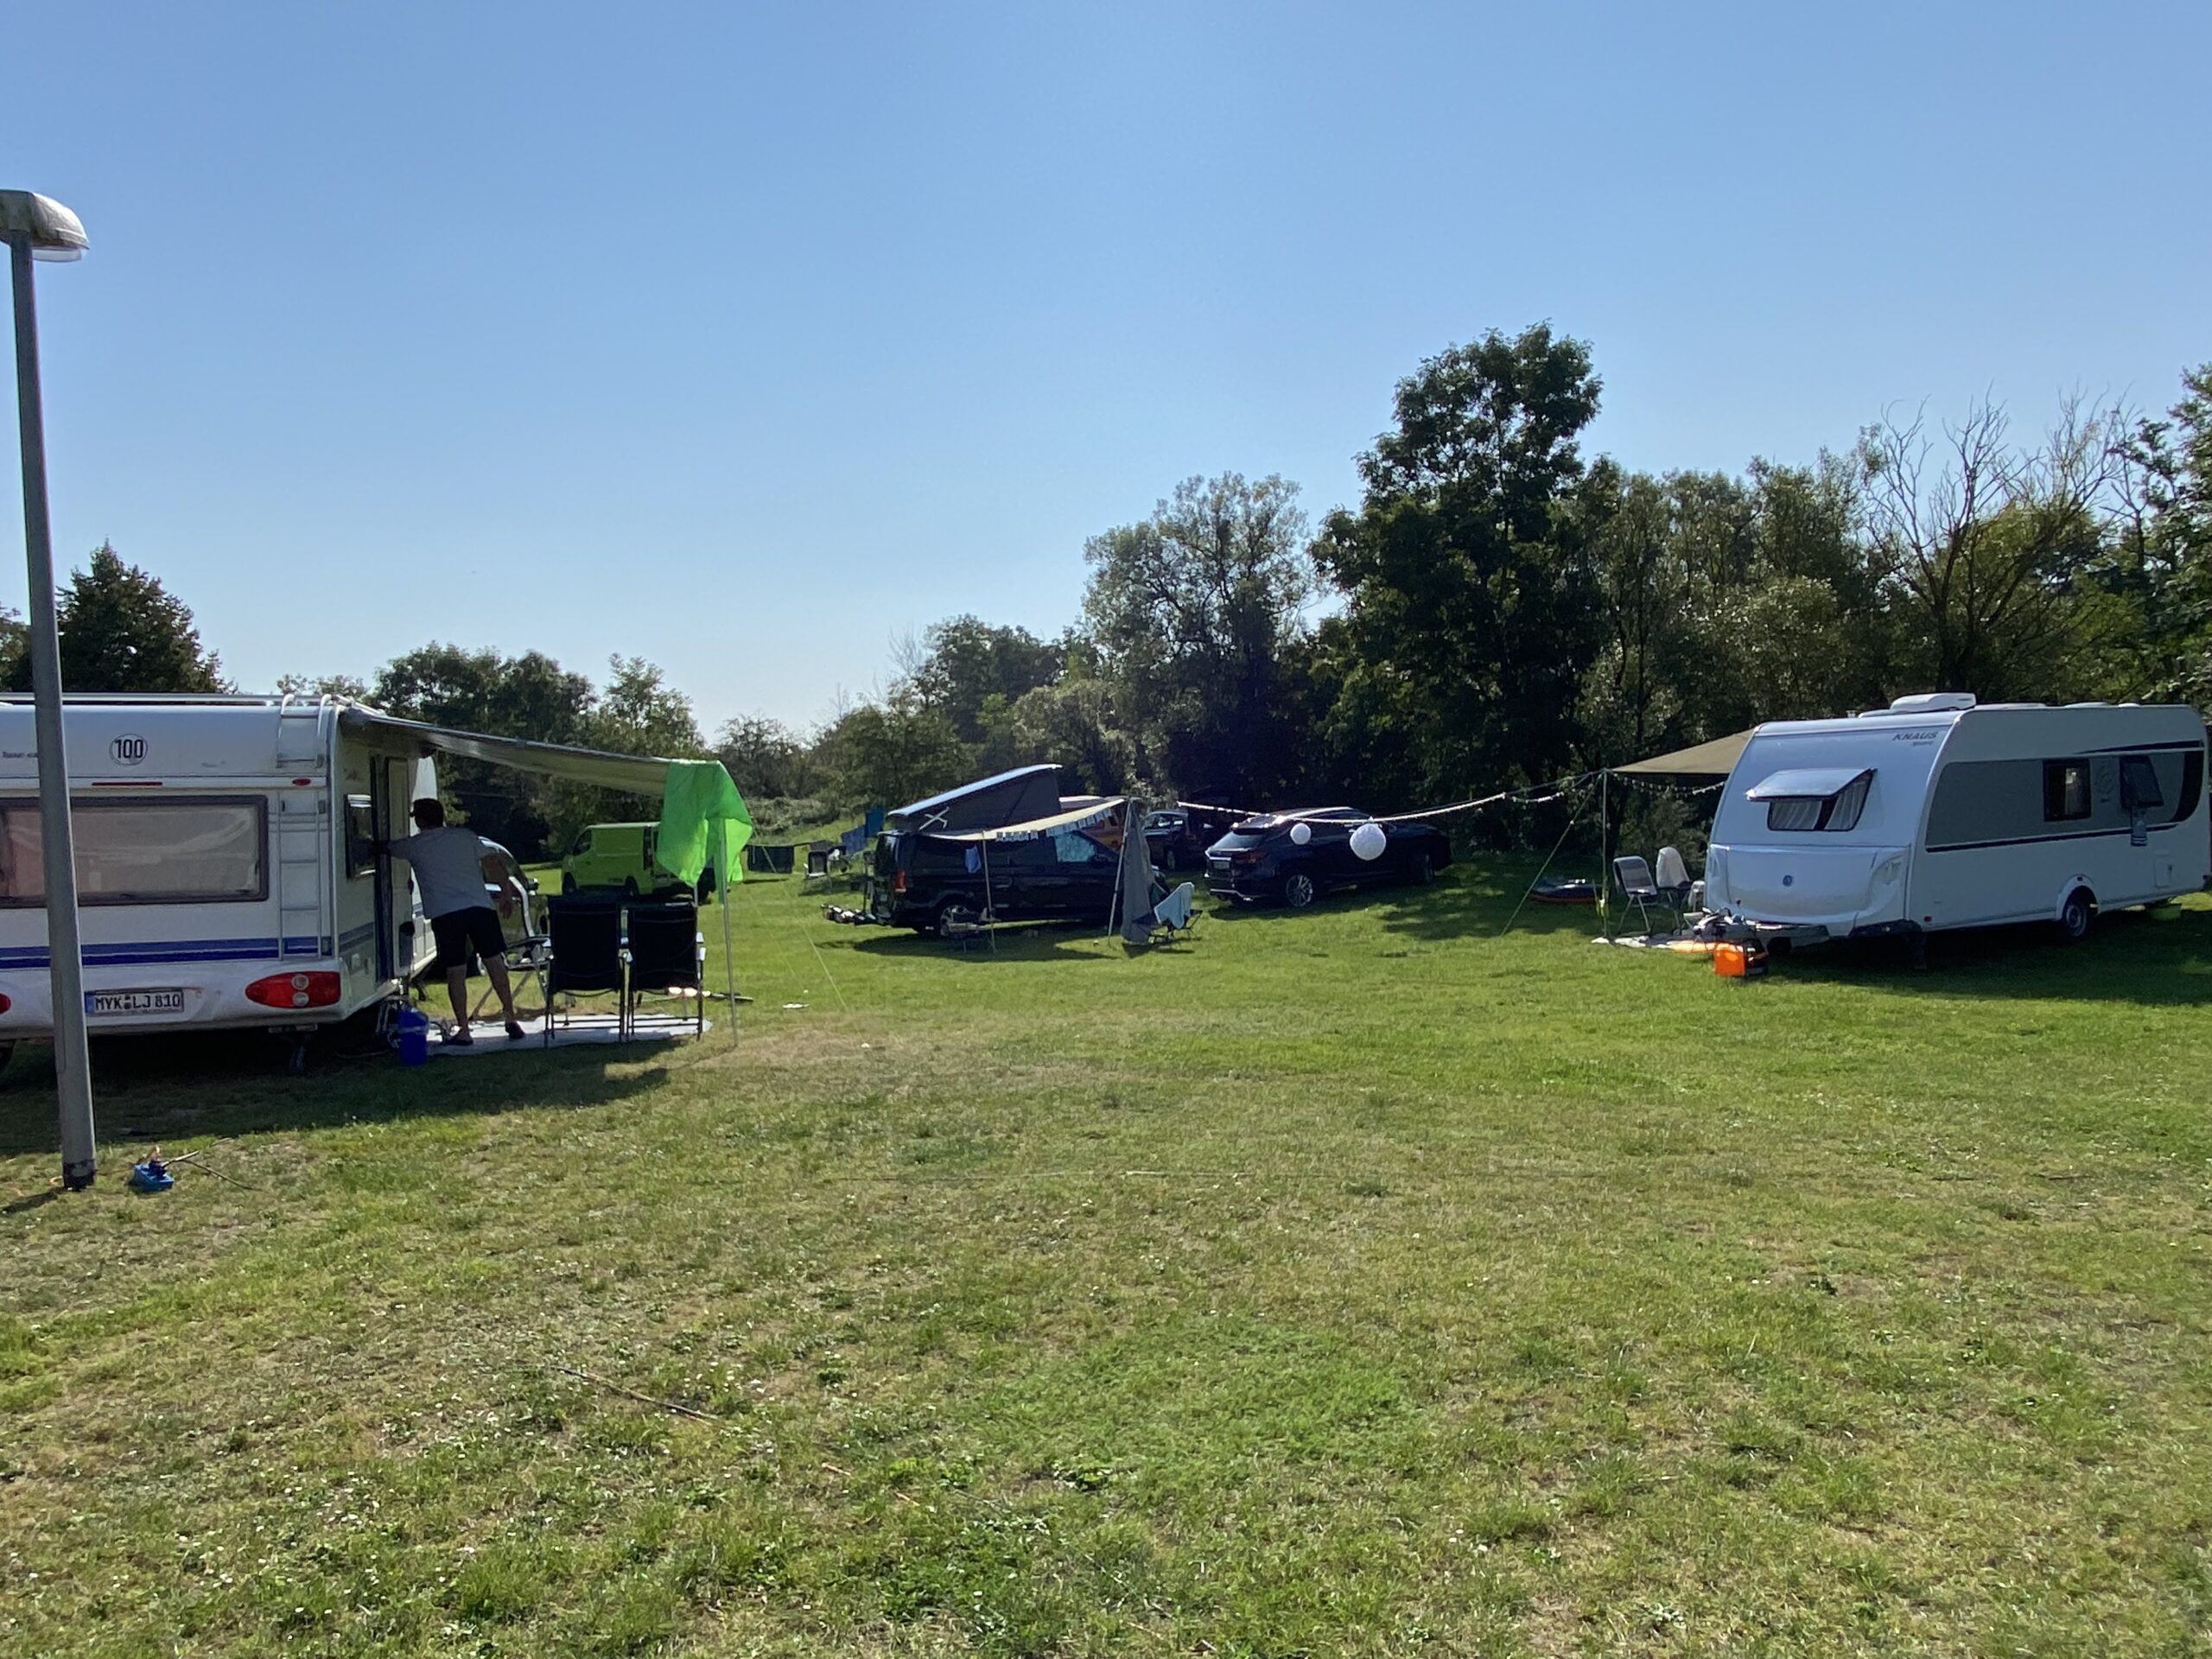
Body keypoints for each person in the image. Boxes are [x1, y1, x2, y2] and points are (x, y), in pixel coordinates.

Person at [381, 798, 529, 1044]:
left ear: (420, 820)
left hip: (446, 914)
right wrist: (505, 893)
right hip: (480, 908)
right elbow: (493, 862)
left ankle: (464, 1029)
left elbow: (386, 848)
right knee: (495, 962)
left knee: (456, 971)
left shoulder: (414, 846)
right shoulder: (466, 837)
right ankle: (510, 1018)